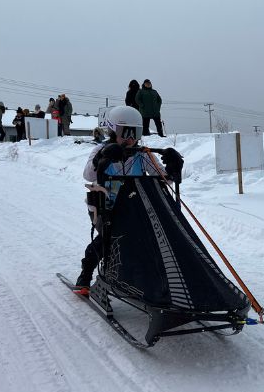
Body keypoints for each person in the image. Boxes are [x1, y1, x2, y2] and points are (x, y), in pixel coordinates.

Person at [72, 106, 182, 295]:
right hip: (106, 207)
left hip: (135, 207)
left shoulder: (142, 154)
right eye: (125, 133)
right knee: (110, 236)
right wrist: (103, 157)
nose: (131, 139)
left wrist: (173, 167)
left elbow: (163, 178)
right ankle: (86, 273)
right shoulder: (101, 149)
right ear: (113, 131)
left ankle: (148, 279)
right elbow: (88, 174)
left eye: (135, 133)